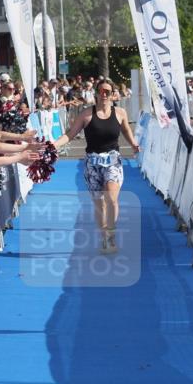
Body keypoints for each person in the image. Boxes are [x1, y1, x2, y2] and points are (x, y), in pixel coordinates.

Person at [52, 79, 140, 254]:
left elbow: (126, 132)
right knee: (100, 204)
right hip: (92, 164)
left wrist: (134, 145)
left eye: (108, 91)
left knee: (111, 198)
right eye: (101, 91)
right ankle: (104, 237)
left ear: (114, 94)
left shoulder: (120, 113)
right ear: (97, 94)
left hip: (113, 161)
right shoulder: (86, 114)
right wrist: (53, 146)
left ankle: (111, 235)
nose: (105, 94)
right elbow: (70, 135)